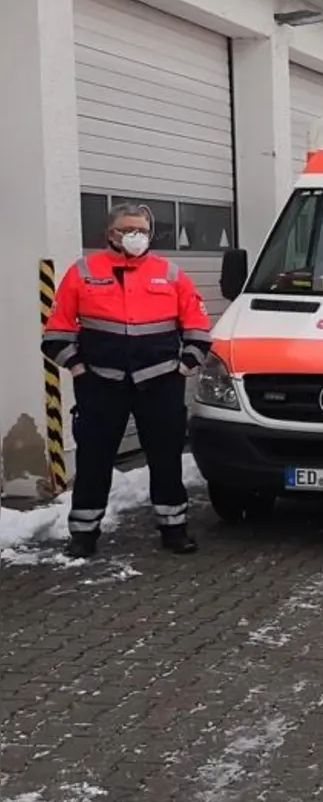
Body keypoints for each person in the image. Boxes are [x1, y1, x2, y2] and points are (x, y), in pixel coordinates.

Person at [40, 203, 212, 558]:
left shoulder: (171, 274)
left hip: (161, 382)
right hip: (101, 383)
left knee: (166, 458)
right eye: (127, 229)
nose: (136, 236)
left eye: (142, 230)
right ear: (110, 233)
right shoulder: (83, 272)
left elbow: (198, 328)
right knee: (94, 460)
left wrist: (184, 367)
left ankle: (173, 529)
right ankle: (83, 534)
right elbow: (55, 333)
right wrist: (77, 369)